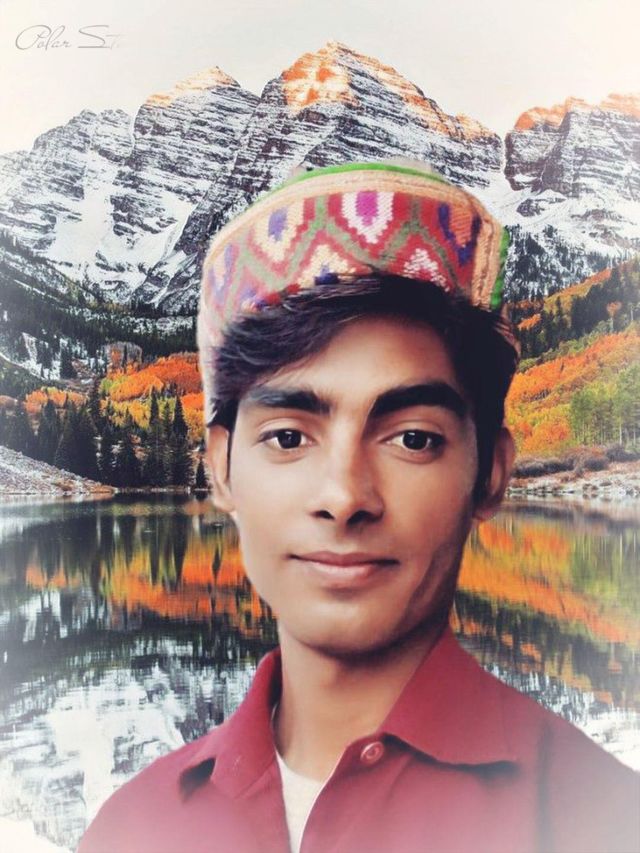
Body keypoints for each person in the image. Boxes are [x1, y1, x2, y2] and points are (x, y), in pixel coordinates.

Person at [79, 162, 639, 853]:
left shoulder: (606, 821)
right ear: (220, 468)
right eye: (289, 437)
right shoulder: (130, 831)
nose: (344, 497)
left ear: (490, 474)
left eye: (412, 439)